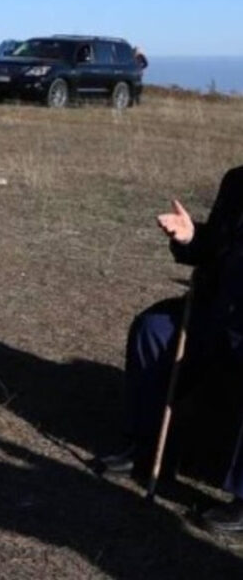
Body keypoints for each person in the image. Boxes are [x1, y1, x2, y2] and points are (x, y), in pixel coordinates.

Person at [95, 167, 243, 533]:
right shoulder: (237, 181)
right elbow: (213, 248)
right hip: (216, 311)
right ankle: (147, 445)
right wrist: (191, 237)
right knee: (154, 330)